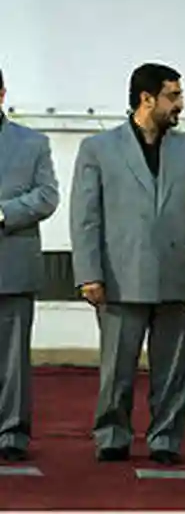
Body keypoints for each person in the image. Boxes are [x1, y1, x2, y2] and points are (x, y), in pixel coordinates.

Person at [69, 63, 185, 465]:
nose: (181, 103)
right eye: (173, 95)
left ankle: (166, 439)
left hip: (176, 276)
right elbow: (85, 218)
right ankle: (112, 436)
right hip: (119, 277)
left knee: (173, 371)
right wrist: (88, 274)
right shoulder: (98, 149)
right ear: (146, 99)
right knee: (116, 369)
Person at [0, 68, 60, 461]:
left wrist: (3, 213)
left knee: (13, 361)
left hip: (12, 264)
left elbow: (47, 196)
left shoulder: (33, 143)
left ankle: (11, 434)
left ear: (2, 93)